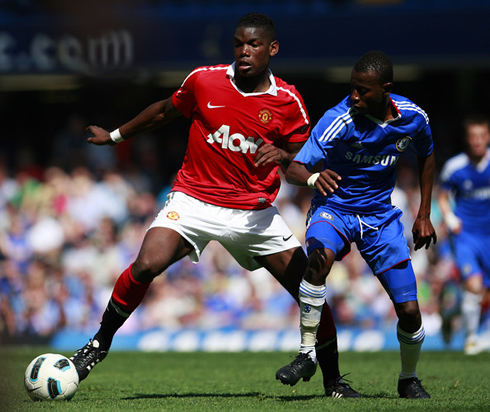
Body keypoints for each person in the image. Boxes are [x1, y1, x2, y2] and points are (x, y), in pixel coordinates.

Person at [70, 12, 360, 398]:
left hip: (252, 213)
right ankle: (98, 345)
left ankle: (333, 382)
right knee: (145, 264)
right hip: (193, 200)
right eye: (239, 43)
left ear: (271, 49)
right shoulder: (203, 80)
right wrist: (115, 137)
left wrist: (286, 157)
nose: (244, 51)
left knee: (309, 287)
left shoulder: (287, 101)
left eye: (253, 44)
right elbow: (162, 111)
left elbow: (304, 156)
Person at [275, 50, 437, 399]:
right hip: (334, 209)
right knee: (319, 260)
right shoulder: (338, 119)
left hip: (380, 218)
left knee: (409, 310)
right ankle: (306, 354)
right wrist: (315, 175)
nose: (354, 96)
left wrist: (424, 214)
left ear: (385, 89)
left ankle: (408, 378)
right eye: (352, 88)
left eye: (363, 90)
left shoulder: (413, 117)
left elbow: (426, 154)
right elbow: (294, 169)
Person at [437, 115, 490, 355]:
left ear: (487, 137)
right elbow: (442, 196)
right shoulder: (455, 167)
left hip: (488, 235)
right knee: (474, 285)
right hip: (465, 234)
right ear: (468, 140)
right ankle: (471, 339)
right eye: (473, 137)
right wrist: (448, 216)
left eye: (482, 136)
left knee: (482, 294)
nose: (478, 141)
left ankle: (450, 316)